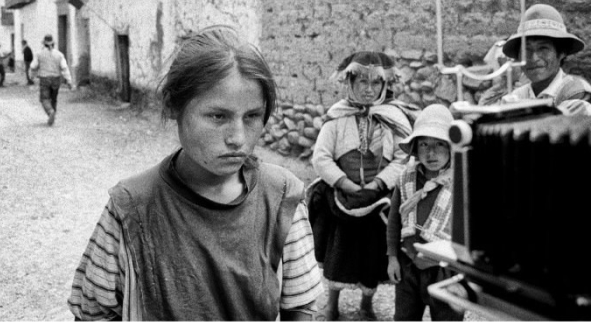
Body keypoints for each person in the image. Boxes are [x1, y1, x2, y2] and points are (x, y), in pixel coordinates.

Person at [67, 25, 323, 321]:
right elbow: (93, 314)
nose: (238, 138)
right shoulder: (131, 208)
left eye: (252, 116)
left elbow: (300, 308)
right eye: (218, 116)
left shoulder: (281, 198)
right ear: (173, 105)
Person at [309, 51, 416, 321]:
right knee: (339, 251)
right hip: (342, 197)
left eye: (375, 84)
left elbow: (404, 156)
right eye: (362, 83)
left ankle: (367, 303)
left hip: (377, 196)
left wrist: (380, 182)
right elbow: (320, 157)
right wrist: (344, 182)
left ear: (384, 85)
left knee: (372, 251)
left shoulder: (393, 118)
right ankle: (331, 303)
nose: (369, 90)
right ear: (350, 83)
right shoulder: (337, 118)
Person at [386, 104, 464, 321]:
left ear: (451, 147)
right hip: (408, 264)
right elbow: (394, 221)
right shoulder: (406, 179)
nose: (431, 153)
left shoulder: (460, 182)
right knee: (404, 318)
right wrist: (392, 257)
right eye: (424, 144)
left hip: (445, 269)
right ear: (414, 148)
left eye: (440, 144)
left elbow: (470, 231)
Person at [500, 3, 591, 116]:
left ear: (562, 52)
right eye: (526, 50)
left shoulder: (578, 92)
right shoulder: (518, 96)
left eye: (543, 48)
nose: (533, 58)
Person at [30, 35, 72, 126]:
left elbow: (33, 66)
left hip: (44, 78)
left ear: (43, 44)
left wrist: (32, 77)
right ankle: (53, 114)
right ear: (53, 43)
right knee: (54, 99)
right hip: (56, 79)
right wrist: (69, 80)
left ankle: (50, 112)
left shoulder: (39, 54)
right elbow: (64, 68)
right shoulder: (60, 54)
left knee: (44, 98)